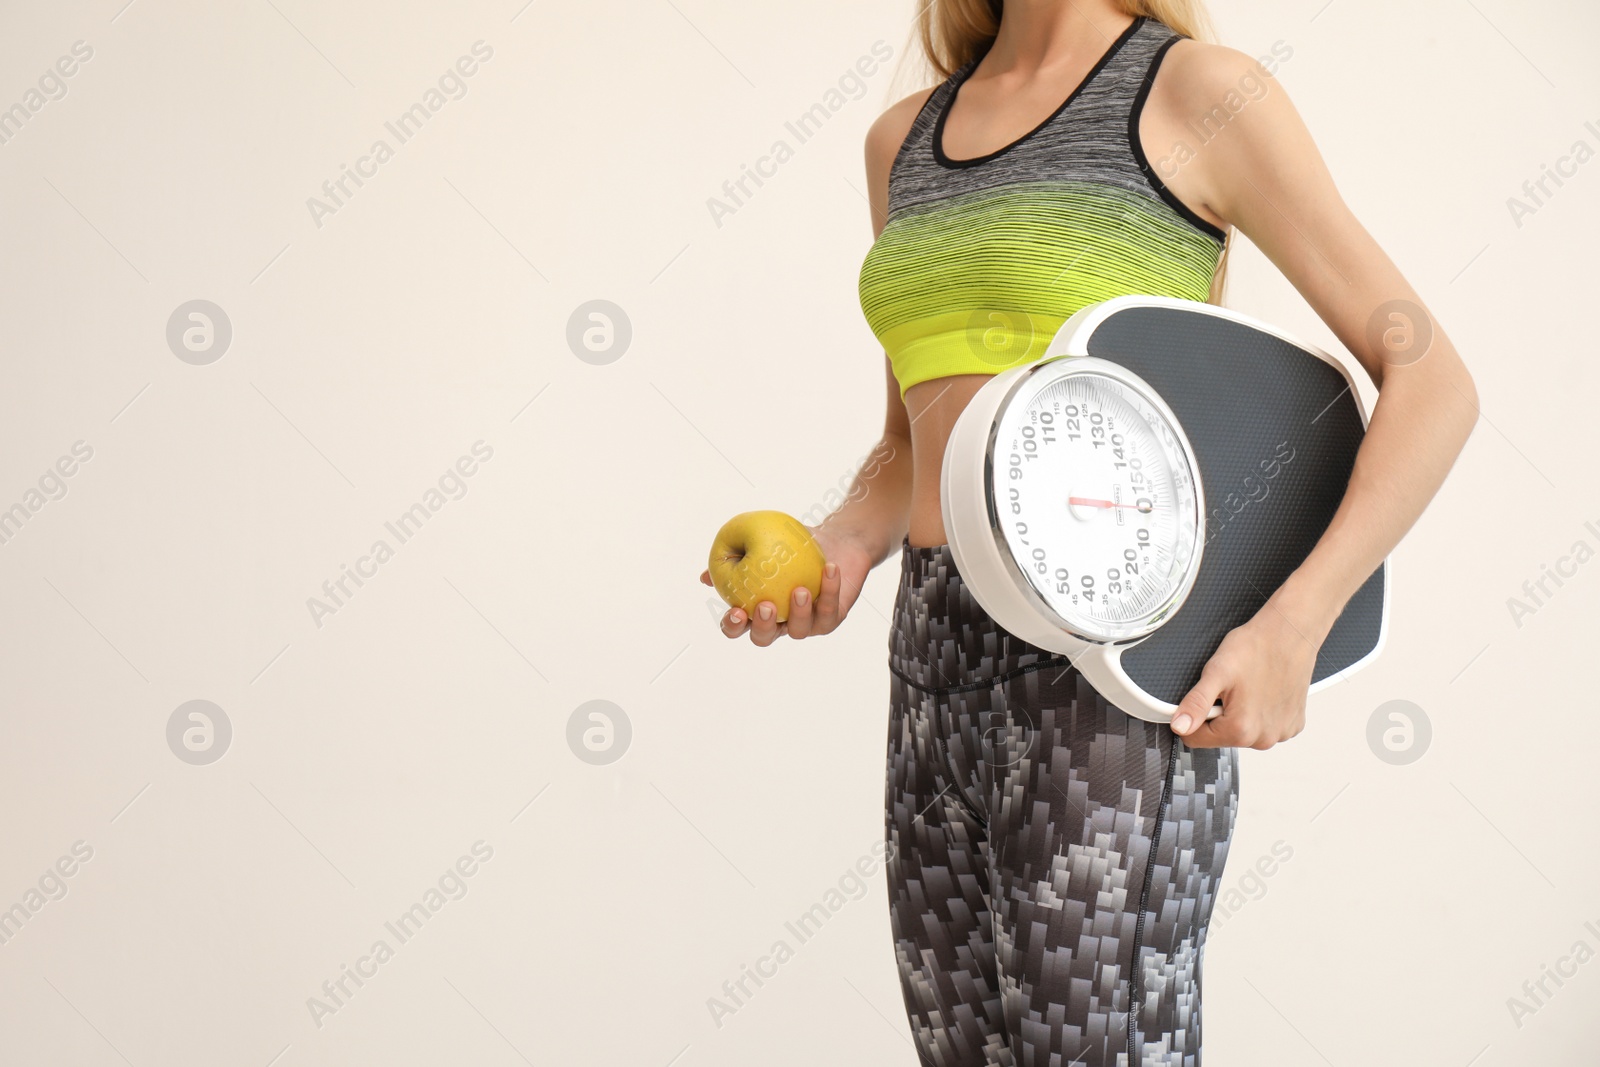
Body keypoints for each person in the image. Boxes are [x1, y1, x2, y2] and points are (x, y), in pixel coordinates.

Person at [700, 0, 1477, 1062]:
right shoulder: (902, 142)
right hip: (930, 658)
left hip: (1106, 668)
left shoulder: (1197, 95)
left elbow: (1433, 382)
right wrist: (842, 540)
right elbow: (906, 442)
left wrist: (1295, 624)